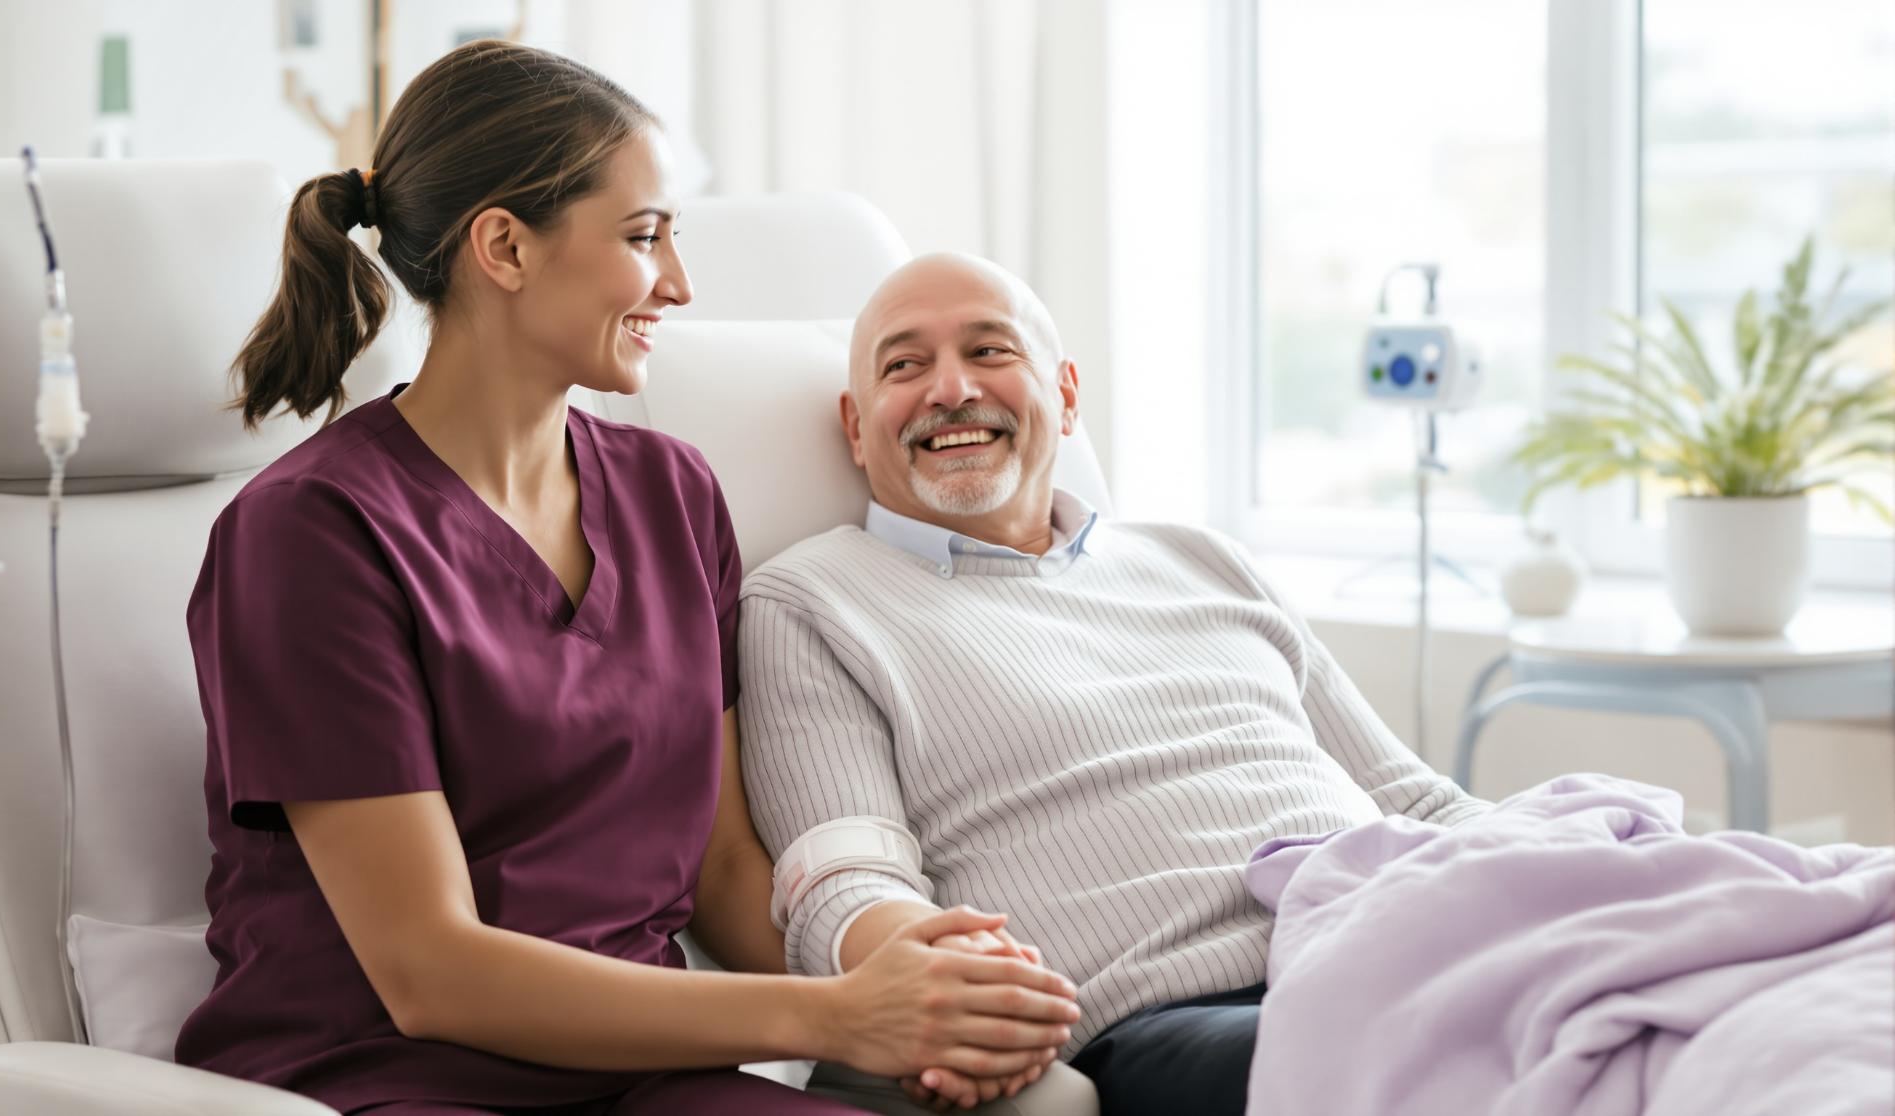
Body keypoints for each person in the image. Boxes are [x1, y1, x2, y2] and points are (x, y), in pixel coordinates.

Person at [176, 43, 1082, 1116]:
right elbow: (429, 971)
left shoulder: (671, 493)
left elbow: (726, 873)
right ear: (504, 247)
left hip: (643, 1078)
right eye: (644, 236)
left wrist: (909, 981)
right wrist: (833, 1017)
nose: (679, 284)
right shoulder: (309, 534)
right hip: (392, 1081)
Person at [738, 252, 1492, 1116]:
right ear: (855, 424)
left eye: (990, 351)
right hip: (1189, 1012)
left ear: (1063, 396)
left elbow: (1422, 804)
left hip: (1418, 929)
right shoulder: (811, 600)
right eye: (903, 366)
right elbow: (843, 884)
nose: (949, 388)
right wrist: (951, 984)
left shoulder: (1201, 558)